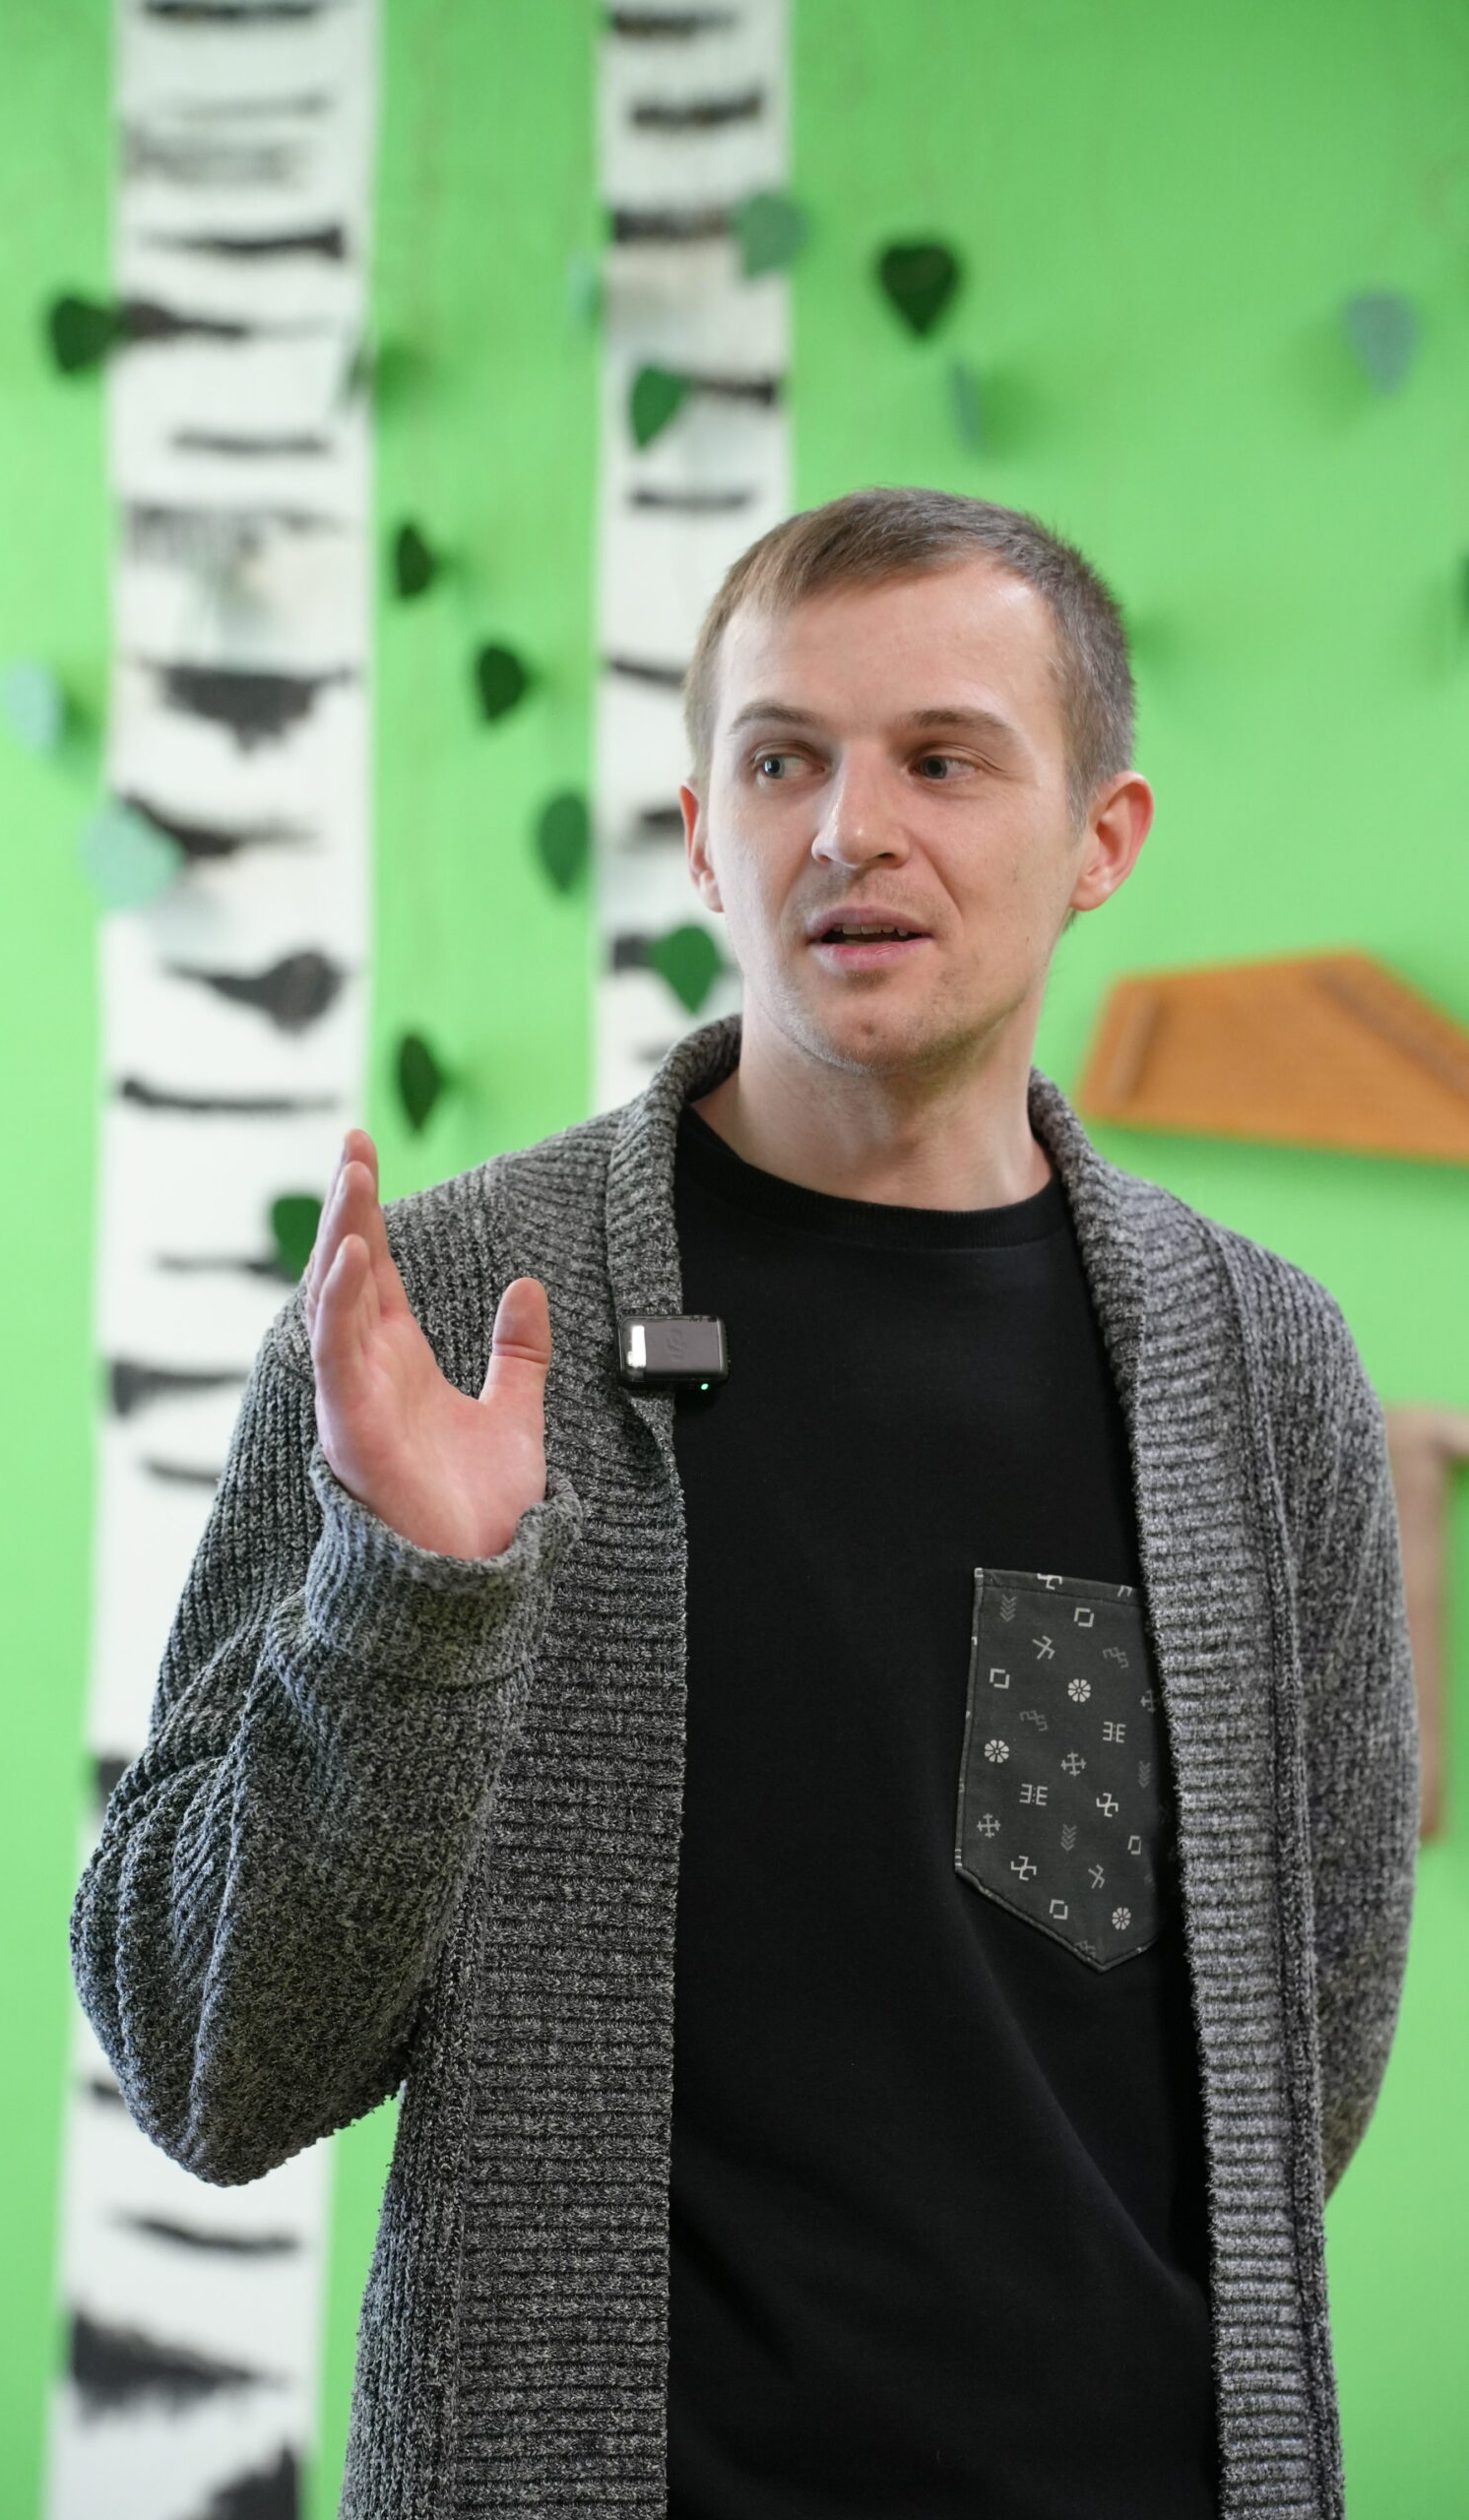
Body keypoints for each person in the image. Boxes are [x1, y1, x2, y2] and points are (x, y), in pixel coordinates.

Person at [71, 486, 1421, 2519]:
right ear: (704, 836)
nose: (850, 828)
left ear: (1101, 839)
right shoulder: (446, 1310)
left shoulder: (1259, 1364)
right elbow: (207, 2058)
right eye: (782, 760)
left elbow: (1296, 2058)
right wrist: (412, 1603)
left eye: (944, 759)